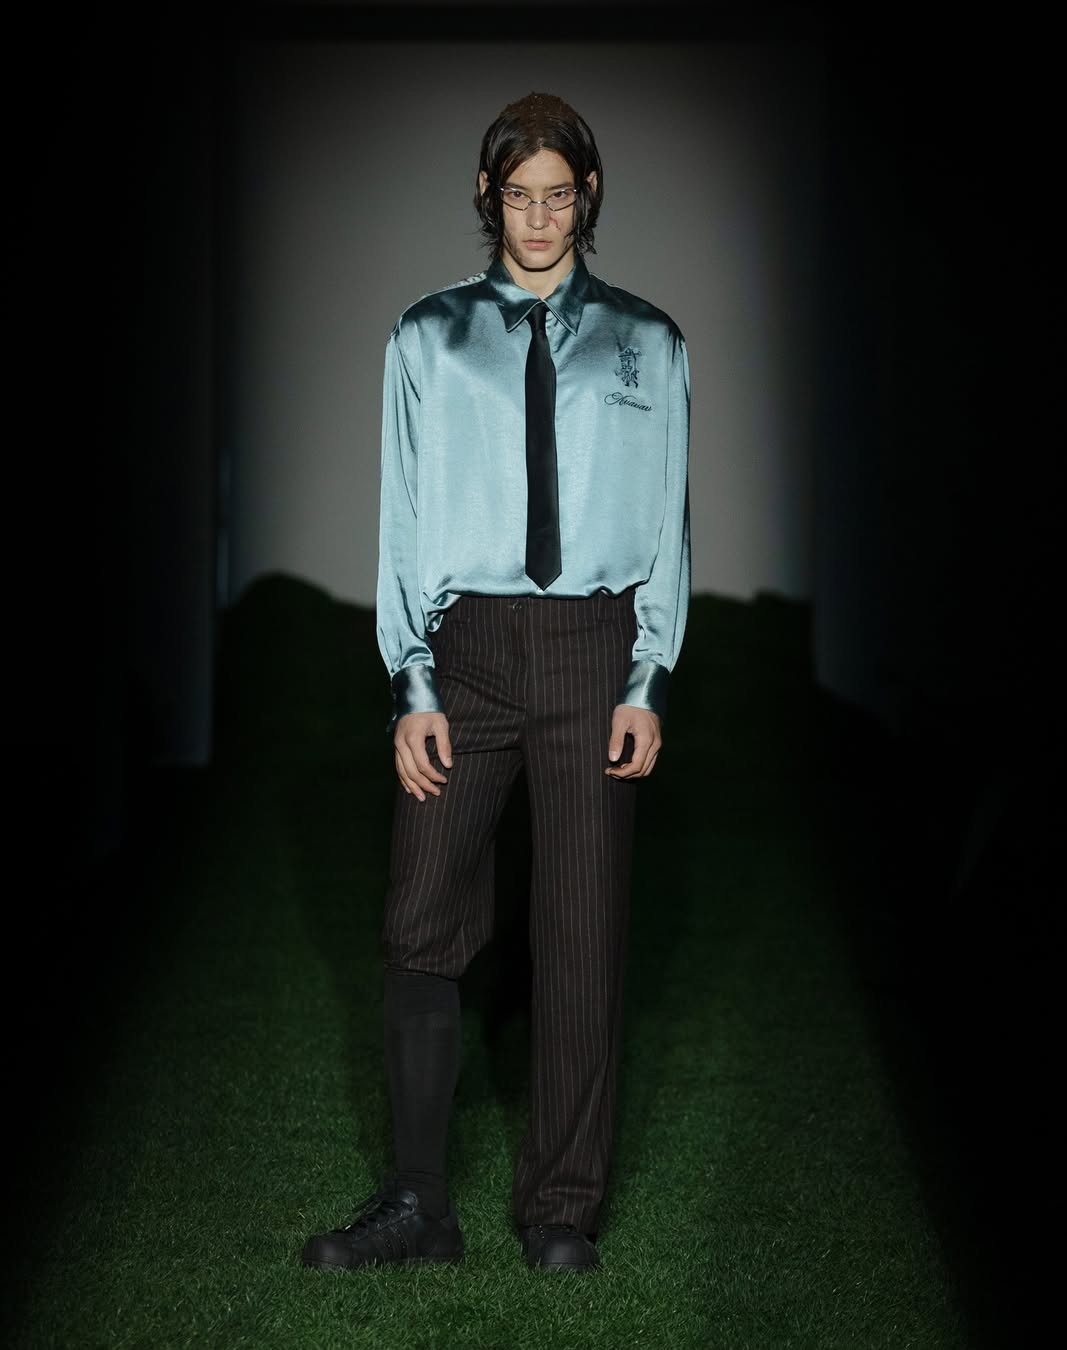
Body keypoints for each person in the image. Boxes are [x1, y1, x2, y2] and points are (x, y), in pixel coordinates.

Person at [302, 91, 690, 1274]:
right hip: (464, 649)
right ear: (488, 196)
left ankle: (561, 1213)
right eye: (518, 196)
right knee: (420, 914)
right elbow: (404, 517)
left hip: (593, 648)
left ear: (587, 197)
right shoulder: (428, 337)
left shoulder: (648, 340)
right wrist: (411, 683)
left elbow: (668, 524)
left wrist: (649, 676)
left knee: (581, 932)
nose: (538, 218)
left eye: (558, 196)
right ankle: (421, 1208)